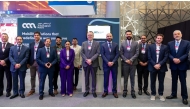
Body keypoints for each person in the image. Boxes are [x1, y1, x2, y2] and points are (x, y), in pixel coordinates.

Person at [166, 30, 190, 105]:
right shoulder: (170, 43)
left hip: (182, 65)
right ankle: (173, 94)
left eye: (178, 34)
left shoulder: (187, 43)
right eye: (175, 34)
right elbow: (168, 53)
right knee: (173, 81)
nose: (177, 35)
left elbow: (187, 53)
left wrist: (180, 59)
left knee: (183, 82)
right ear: (173, 36)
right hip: (173, 65)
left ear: (181, 35)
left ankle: (184, 97)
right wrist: (173, 59)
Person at [148, 34, 168, 101]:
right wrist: (154, 65)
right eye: (158, 38)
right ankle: (153, 94)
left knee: (161, 81)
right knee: (152, 81)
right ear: (155, 39)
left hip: (161, 67)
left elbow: (166, 57)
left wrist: (159, 64)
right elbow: (149, 57)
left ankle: (161, 94)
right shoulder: (151, 46)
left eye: (160, 38)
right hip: (152, 66)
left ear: (162, 39)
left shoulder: (165, 47)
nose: (159, 39)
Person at [120, 30, 139, 99]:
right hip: (125, 64)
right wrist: (126, 60)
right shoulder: (122, 43)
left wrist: (131, 60)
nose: (128, 35)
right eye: (127, 34)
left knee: (132, 78)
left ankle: (132, 91)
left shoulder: (136, 43)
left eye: (129, 34)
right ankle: (125, 91)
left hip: (133, 64)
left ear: (132, 35)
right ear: (125, 35)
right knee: (125, 78)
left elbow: (137, 53)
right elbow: (121, 53)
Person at [81, 31, 100, 98]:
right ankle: (87, 90)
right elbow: (82, 53)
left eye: (91, 35)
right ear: (87, 36)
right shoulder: (84, 43)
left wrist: (91, 60)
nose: (90, 36)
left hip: (94, 63)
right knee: (86, 77)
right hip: (86, 64)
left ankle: (93, 91)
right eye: (88, 35)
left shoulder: (97, 43)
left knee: (94, 77)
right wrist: (87, 60)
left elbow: (98, 53)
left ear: (93, 36)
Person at [101, 33, 119, 98]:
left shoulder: (116, 45)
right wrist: (108, 62)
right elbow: (102, 54)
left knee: (114, 79)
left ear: (112, 37)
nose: (109, 37)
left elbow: (117, 54)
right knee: (106, 79)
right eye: (108, 36)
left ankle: (114, 91)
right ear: (106, 37)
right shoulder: (103, 45)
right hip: (106, 65)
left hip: (114, 65)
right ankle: (105, 91)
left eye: (110, 36)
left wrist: (113, 62)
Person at [27, 31, 44, 97]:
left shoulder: (43, 44)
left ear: (40, 36)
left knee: (40, 77)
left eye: (37, 35)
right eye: (35, 35)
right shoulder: (31, 44)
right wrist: (28, 62)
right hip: (32, 62)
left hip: (39, 63)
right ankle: (32, 89)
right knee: (32, 77)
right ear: (34, 36)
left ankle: (40, 90)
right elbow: (29, 54)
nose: (36, 36)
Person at [0, 33, 14, 97]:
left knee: (9, 78)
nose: (4, 37)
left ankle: (8, 91)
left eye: (5, 36)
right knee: (0, 78)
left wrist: (5, 61)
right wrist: (0, 61)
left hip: (8, 64)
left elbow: (11, 55)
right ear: (1, 37)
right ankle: (0, 91)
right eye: (3, 36)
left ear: (7, 37)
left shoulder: (11, 45)